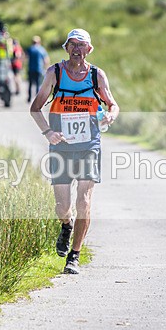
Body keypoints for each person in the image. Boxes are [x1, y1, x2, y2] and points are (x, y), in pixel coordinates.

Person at [30, 28, 120, 274]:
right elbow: (35, 108)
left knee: (84, 200)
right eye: (73, 45)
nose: (77, 49)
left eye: (82, 45)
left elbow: (112, 103)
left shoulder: (96, 76)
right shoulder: (54, 73)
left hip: (89, 145)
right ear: (66, 48)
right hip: (60, 146)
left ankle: (74, 255)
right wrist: (48, 132)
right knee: (62, 206)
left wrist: (111, 115)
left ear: (89, 50)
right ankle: (66, 226)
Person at [25, 36, 49, 103]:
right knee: (38, 84)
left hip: (31, 69)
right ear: (39, 42)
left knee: (30, 84)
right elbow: (46, 60)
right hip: (39, 69)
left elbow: (25, 57)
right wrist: (46, 68)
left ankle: (29, 98)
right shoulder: (42, 49)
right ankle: (37, 98)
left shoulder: (30, 49)